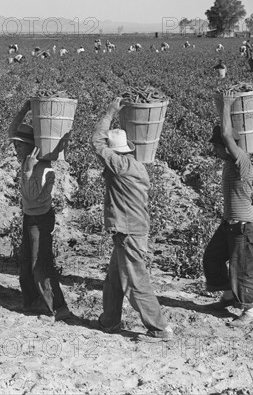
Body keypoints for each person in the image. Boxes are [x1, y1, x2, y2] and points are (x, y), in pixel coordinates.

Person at [92, 98, 173, 342]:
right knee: (115, 278)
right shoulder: (136, 165)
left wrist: (110, 112)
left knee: (136, 282)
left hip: (129, 232)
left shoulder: (119, 166)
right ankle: (110, 320)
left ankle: (159, 329)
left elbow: (96, 142)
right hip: (130, 229)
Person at [7, 101, 71, 324]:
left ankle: (57, 308)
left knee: (39, 263)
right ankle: (32, 301)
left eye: (20, 146)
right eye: (16, 145)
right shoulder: (27, 160)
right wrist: (24, 109)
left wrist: (27, 172)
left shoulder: (44, 168)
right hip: (29, 217)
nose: (16, 149)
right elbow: (11, 130)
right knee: (25, 260)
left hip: (40, 220)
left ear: (32, 147)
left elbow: (33, 195)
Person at [203, 92, 253, 327]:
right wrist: (221, 108)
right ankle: (227, 295)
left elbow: (227, 135)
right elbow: (225, 132)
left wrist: (226, 103)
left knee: (242, 270)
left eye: (217, 146)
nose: (215, 150)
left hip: (243, 226)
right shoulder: (228, 162)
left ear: (228, 146)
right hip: (229, 224)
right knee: (212, 258)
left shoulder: (242, 161)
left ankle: (250, 310)